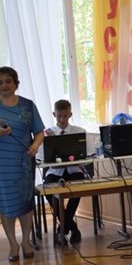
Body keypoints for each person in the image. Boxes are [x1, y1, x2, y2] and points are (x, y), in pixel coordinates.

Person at [0, 66, 45, 262]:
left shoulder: (28, 105)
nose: (4, 85)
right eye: (0, 82)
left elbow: (39, 132)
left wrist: (35, 146)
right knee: (6, 203)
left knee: (26, 202)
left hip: (23, 162)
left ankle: (26, 242)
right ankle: (13, 244)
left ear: (16, 83)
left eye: (8, 81)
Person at [41, 99, 86, 245]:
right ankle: (72, 228)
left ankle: (62, 229)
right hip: (55, 172)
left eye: (65, 116)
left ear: (70, 114)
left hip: (74, 170)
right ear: (54, 114)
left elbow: (87, 156)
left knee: (79, 187)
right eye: (59, 116)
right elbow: (40, 157)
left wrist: (80, 160)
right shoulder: (47, 133)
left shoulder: (79, 132)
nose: (62, 119)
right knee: (47, 189)